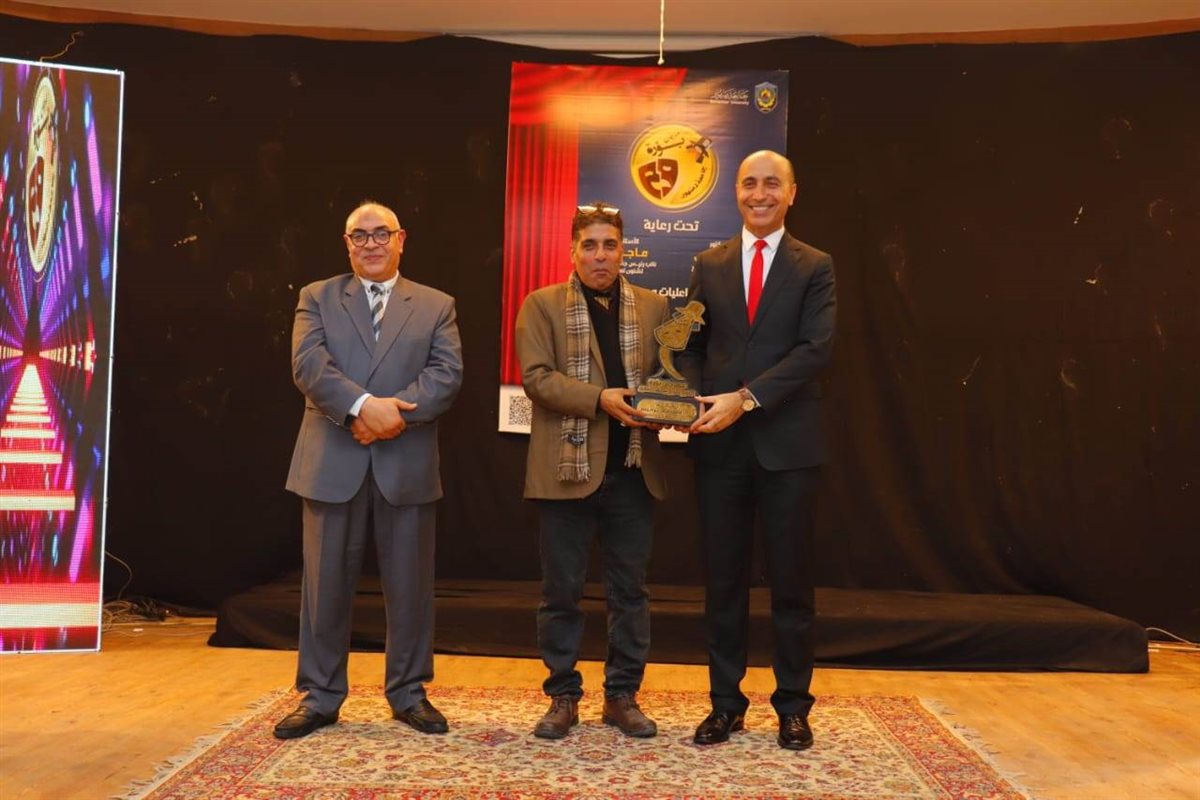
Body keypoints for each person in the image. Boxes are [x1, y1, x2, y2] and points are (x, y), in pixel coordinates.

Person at [274, 201, 463, 740]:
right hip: (330, 464)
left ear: (402, 239)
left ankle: (409, 693)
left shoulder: (436, 304)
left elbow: (446, 375)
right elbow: (309, 366)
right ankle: (320, 696)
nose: (372, 243)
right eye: (360, 235)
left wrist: (387, 418)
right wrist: (363, 409)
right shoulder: (317, 297)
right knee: (324, 588)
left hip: (406, 467)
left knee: (410, 588)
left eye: (382, 234)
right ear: (347, 244)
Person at [677, 150, 836, 750]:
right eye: (749, 183)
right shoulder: (709, 263)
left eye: (773, 183)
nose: (760, 193)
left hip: (787, 448)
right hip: (719, 451)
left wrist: (743, 399)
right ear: (736, 193)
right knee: (723, 583)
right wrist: (691, 398)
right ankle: (725, 705)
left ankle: (793, 706)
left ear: (792, 193)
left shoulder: (815, 265)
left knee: (791, 585)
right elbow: (691, 346)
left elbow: (816, 350)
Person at [514, 202, 670, 740]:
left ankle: (622, 696)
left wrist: (668, 403)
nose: (600, 255)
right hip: (567, 471)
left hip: (633, 469)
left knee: (631, 594)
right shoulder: (541, 305)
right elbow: (537, 378)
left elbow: (669, 376)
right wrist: (599, 398)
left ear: (624, 251)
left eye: (610, 245)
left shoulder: (655, 307)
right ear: (573, 252)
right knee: (561, 593)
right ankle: (562, 696)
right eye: (590, 246)